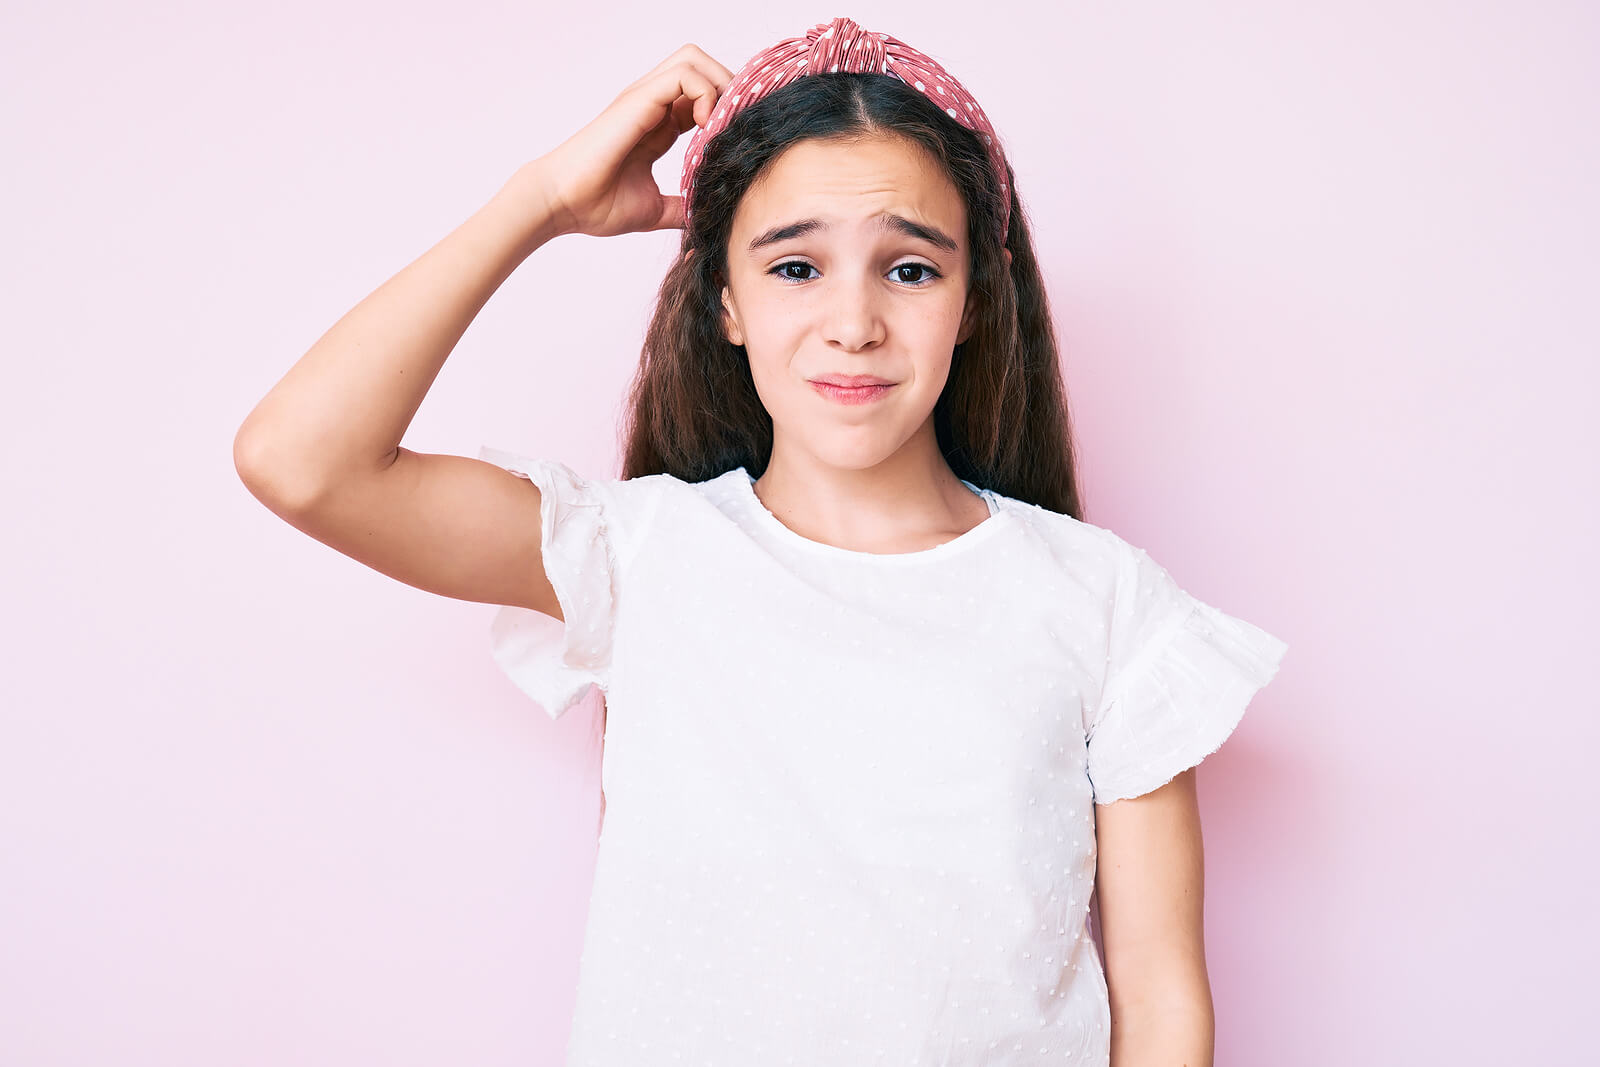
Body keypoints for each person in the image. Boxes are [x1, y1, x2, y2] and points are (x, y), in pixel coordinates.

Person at [234, 17, 1288, 1067]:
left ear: (975, 298)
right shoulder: (637, 557)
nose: (853, 323)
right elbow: (301, 460)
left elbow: (1161, 1005)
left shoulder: (1105, 604)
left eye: (910, 269)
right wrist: (542, 200)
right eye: (794, 267)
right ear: (724, 299)